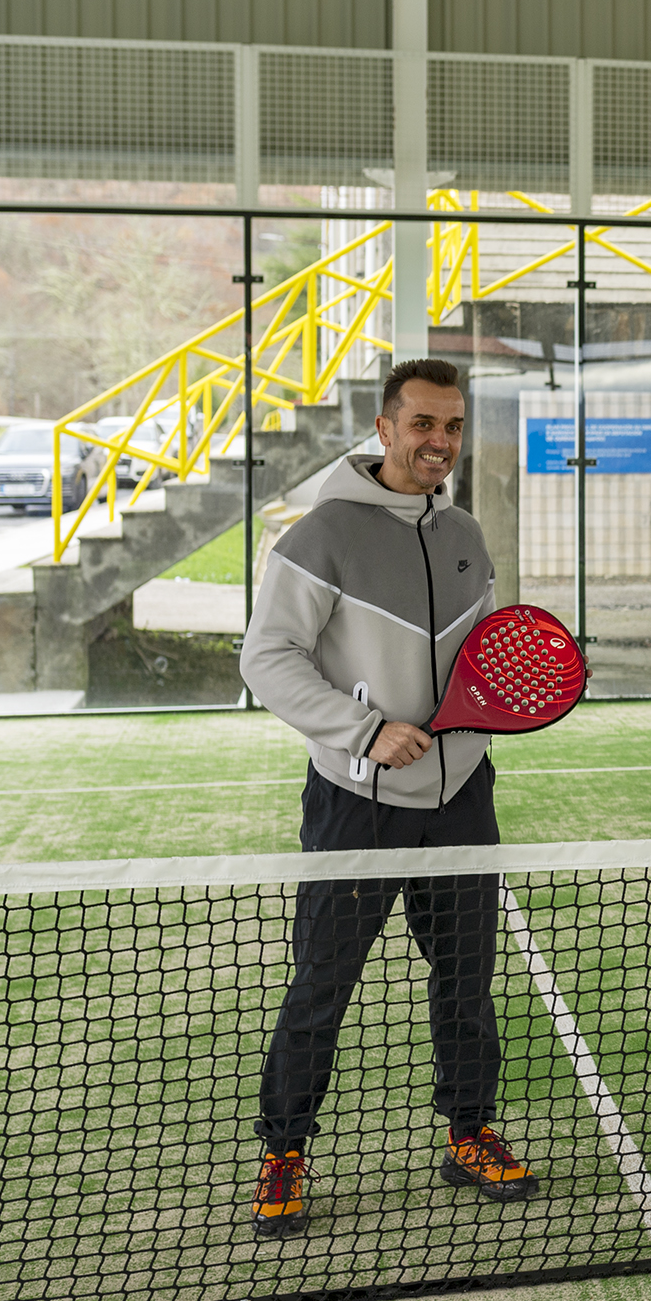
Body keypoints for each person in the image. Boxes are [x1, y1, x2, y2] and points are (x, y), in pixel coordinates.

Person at [238, 357, 536, 1239]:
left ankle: (469, 1130)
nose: (439, 442)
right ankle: (284, 1149)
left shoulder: (467, 533)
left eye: (451, 426)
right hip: (356, 801)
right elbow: (266, 659)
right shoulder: (323, 531)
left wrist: (496, 709)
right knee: (322, 985)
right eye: (422, 425)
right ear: (384, 428)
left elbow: (482, 654)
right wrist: (364, 732)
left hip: (460, 797)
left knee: (465, 983)